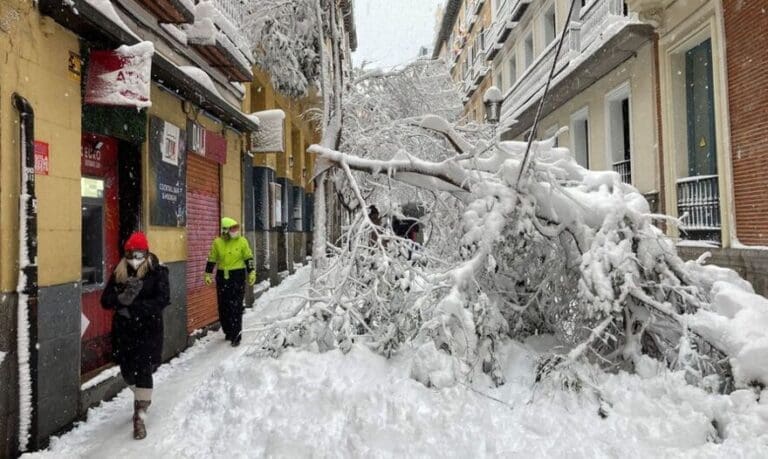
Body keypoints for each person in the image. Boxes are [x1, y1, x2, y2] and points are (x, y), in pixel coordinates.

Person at [101, 231, 170, 440]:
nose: (134, 257)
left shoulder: (158, 270)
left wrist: (135, 308)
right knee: (128, 372)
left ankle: (139, 416)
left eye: (139, 253)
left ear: (146, 252)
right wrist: (121, 299)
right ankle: (143, 398)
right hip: (124, 333)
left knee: (143, 370)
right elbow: (105, 300)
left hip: (148, 330)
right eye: (131, 253)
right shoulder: (120, 271)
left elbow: (163, 299)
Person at [204, 217, 257, 347]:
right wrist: (208, 273)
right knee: (223, 307)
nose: (236, 231)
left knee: (236, 306)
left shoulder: (242, 242)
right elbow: (212, 258)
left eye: (236, 228)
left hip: (237, 277)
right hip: (222, 277)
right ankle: (228, 330)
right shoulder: (217, 243)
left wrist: (251, 272)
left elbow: (248, 257)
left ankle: (236, 335)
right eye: (233, 229)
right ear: (225, 230)